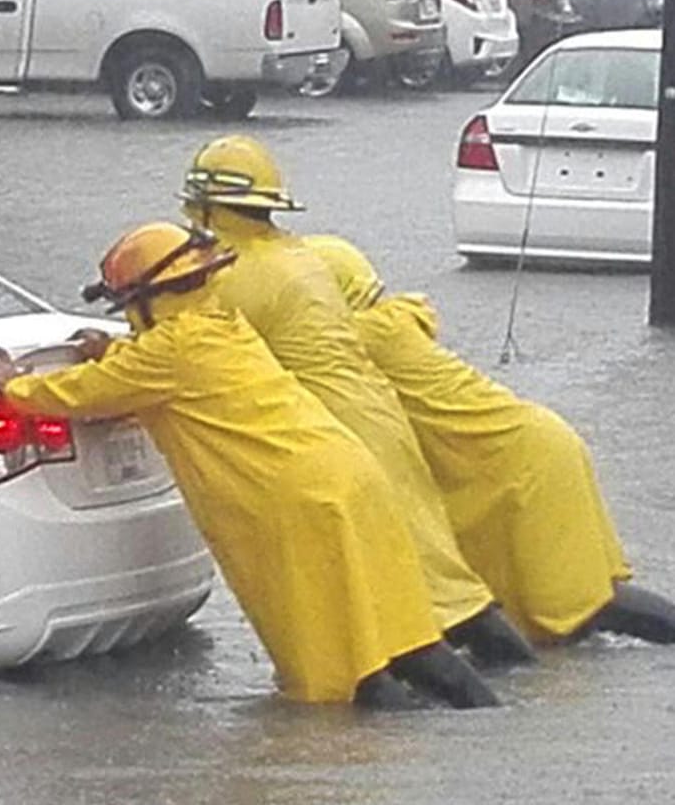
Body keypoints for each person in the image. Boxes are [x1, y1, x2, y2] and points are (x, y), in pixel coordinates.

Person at [0, 221, 499, 709]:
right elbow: (155, 367)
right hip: (353, 477)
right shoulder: (224, 324)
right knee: (406, 637)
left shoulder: (166, 355)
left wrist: (15, 383)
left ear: (149, 298)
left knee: (340, 674)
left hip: (298, 502)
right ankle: (485, 725)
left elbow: (81, 394)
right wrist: (111, 349)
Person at [176, 134, 537, 666]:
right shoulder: (302, 255)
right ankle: (517, 703)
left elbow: (182, 350)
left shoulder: (234, 276)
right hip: (380, 416)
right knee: (444, 584)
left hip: (344, 432)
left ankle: (483, 712)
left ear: (209, 208)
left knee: (411, 602)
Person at [306, 234, 675, 645]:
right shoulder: (391, 323)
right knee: (523, 613)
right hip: (521, 455)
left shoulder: (358, 341)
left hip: (526, 466)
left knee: (587, 607)